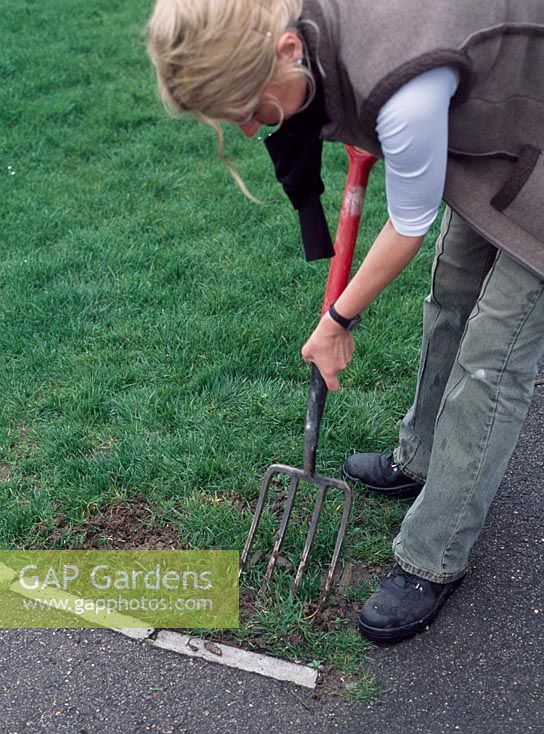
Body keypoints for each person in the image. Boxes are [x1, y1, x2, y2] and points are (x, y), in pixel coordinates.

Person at [147, 0, 544, 643]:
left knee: (492, 360)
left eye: (250, 108)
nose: (250, 132)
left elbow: (407, 225)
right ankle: (419, 457)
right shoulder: (314, 28)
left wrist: (337, 320)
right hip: (496, 126)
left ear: (284, 51)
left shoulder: (407, 97)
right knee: (451, 293)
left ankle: (433, 554)